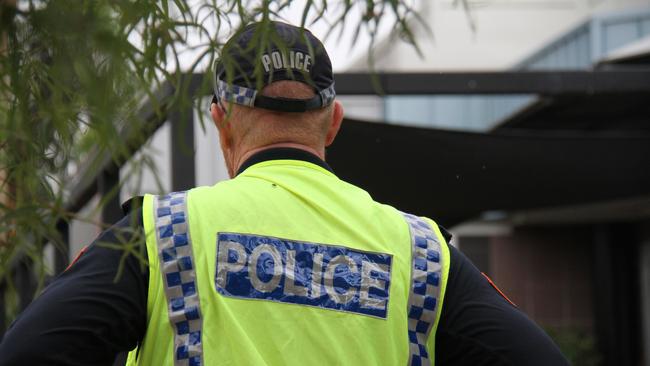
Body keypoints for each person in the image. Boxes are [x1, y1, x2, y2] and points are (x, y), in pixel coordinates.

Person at [0, 21, 569, 366]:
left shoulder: (162, 237)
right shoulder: (421, 255)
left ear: (221, 123)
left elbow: (27, 355)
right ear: (333, 123)